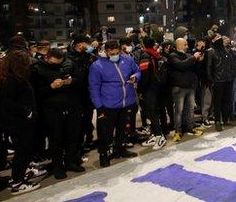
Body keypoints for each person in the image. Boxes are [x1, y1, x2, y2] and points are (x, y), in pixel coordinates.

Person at [0, 50, 43, 195]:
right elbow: (8, 102)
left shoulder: (14, 77)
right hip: (19, 123)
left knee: (23, 151)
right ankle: (17, 182)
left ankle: (19, 176)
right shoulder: (12, 80)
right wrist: (27, 112)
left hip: (20, 122)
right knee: (22, 152)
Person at [31, 48, 84, 179]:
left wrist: (72, 81)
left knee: (73, 135)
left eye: (60, 63)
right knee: (56, 139)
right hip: (52, 109)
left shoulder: (69, 64)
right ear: (47, 58)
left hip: (72, 106)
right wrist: (51, 87)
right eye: (54, 63)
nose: (58, 65)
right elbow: (35, 93)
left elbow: (81, 81)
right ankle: (57, 166)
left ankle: (70, 161)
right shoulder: (37, 68)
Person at [88, 40, 140, 168]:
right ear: (106, 51)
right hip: (107, 105)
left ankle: (120, 149)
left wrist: (135, 77)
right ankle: (104, 154)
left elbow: (138, 71)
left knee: (123, 129)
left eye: (117, 52)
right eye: (112, 53)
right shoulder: (97, 66)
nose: (115, 54)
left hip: (126, 102)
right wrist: (99, 106)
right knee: (105, 132)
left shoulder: (127, 59)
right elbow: (93, 88)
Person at [167, 38, 204, 141]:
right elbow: (181, 66)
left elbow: (194, 69)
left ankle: (190, 127)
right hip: (179, 87)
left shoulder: (188, 56)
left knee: (190, 110)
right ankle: (178, 131)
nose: (187, 46)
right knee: (179, 111)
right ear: (178, 45)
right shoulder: (173, 56)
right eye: (185, 44)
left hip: (190, 86)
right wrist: (193, 58)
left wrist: (198, 61)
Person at [67, 35, 96, 155]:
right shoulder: (68, 58)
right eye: (87, 44)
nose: (89, 47)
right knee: (77, 122)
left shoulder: (90, 57)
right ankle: (77, 146)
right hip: (75, 95)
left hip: (88, 93)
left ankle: (89, 139)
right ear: (79, 45)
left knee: (88, 118)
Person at [137, 37, 168, 150]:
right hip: (159, 87)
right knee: (156, 111)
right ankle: (155, 134)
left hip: (149, 89)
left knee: (151, 112)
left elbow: (144, 75)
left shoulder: (145, 55)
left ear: (143, 45)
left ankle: (159, 136)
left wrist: (140, 90)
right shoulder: (157, 54)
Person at [207, 34, 234, 131]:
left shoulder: (226, 50)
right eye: (217, 37)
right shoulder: (211, 51)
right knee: (217, 102)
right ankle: (218, 121)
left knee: (226, 100)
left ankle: (226, 119)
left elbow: (230, 64)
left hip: (227, 79)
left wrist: (231, 76)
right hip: (218, 81)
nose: (219, 39)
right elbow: (209, 67)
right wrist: (212, 80)